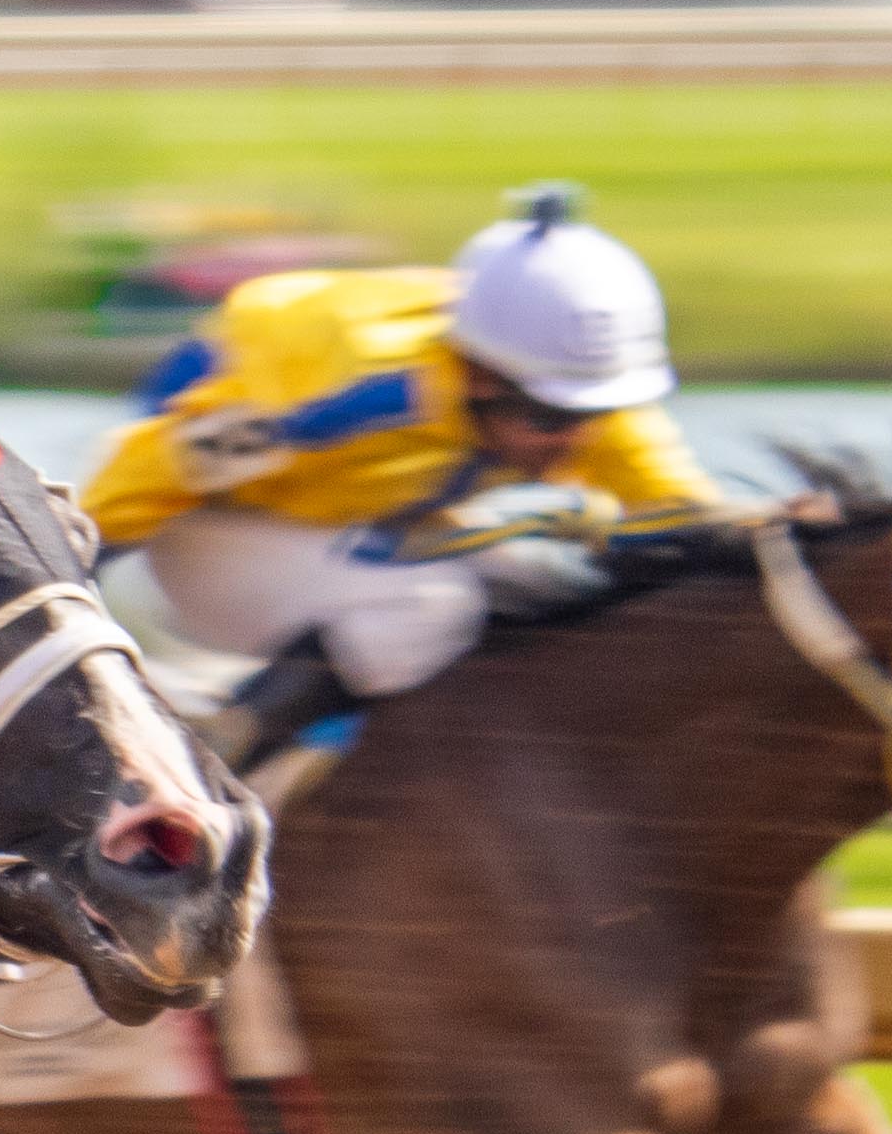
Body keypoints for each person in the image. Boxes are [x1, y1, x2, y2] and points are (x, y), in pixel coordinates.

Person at [78, 183, 734, 770]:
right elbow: (148, 465)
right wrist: (64, 572)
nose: (575, 440)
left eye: (597, 411)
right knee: (425, 606)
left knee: (543, 584)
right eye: (547, 415)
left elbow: (680, 511)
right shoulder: (348, 389)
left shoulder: (569, 390)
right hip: (210, 522)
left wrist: (772, 531)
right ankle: (222, 750)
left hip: (356, 516)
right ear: (477, 374)